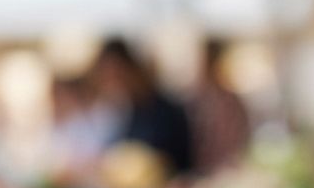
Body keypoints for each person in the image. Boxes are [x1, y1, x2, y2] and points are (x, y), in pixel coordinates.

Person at [92, 38, 193, 176]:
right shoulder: (128, 112)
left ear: (132, 68)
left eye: (116, 75)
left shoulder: (167, 113)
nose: (113, 83)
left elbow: (177, 163)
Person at [188, 39, 251, 175]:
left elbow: (241, 139)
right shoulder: (196, 99)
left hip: (224, 171)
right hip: (202, 171)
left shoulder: (230, 101)